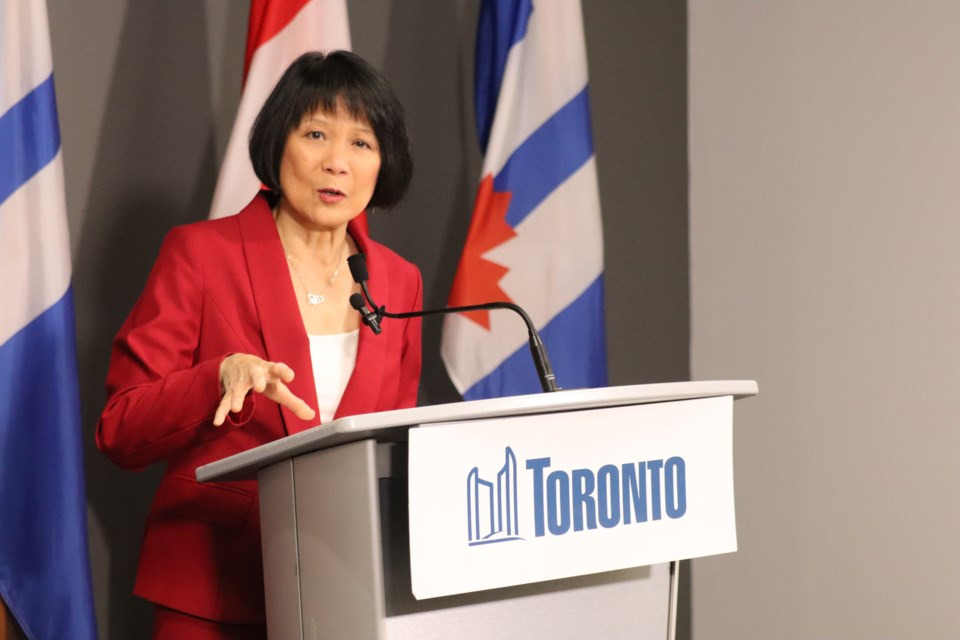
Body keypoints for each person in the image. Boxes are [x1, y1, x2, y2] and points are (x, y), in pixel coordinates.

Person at [97, 51, 422, 639]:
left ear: (384, 162)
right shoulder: (200, 255)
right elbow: (120, 429)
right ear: (278, 143)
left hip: (347, 592)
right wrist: (215, 378)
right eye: (316, 134)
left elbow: (394, 443)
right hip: (215, 591)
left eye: (361, 143)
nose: (337, 162)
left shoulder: (399, 281)